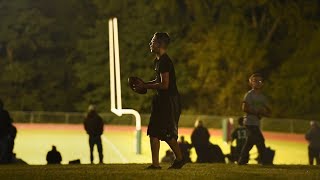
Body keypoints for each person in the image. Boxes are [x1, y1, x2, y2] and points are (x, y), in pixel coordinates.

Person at [135, 32, 184, 169]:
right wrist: (145, 83)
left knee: (167, 133)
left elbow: (165, 84)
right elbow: (158, 81)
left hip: (169, 101)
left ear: (160, 44)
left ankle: (180, 159)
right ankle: (155, 164)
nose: (150, 43)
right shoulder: (157, 61)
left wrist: (145, 86)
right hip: (160, 100)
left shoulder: (164, 61)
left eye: (153, 41)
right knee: (153, 131)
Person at [238, 73, 271, 165]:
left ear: (262, 83)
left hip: (256, 123)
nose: (257, 83)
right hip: (249, 122)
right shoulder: (249, 95)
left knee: (250, 142)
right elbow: (244, 108)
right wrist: (257, 112)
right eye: (255, 81)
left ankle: (242, 161)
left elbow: (269, 111)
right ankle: (265, 161)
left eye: (259, 81)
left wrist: (264, 113)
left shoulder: (262, 97)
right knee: (260, 141)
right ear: (251, 83)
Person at [0, 98, 13, 164]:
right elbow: (9, 123)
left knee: (3, 150)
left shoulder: (5, 113)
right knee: (3, 150)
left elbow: (8, 124)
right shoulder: (5, 113)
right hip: (4, 135)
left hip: (3, 135)